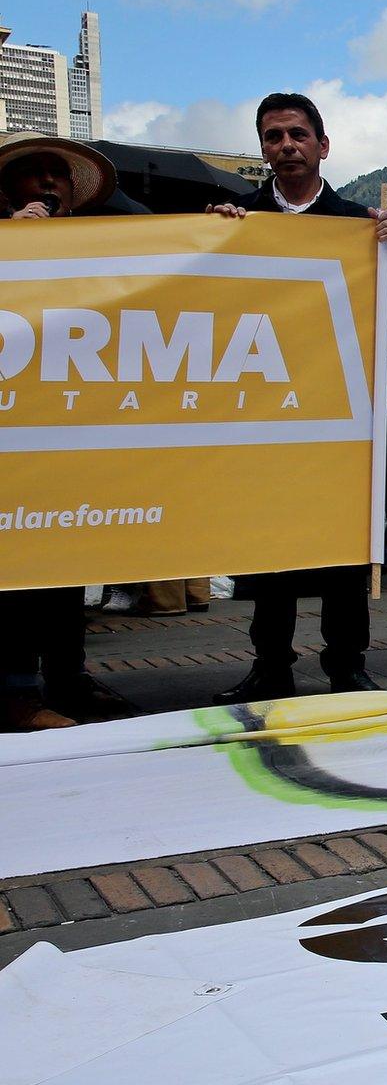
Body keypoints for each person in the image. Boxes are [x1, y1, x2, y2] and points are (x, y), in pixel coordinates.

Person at [202, 92, 387, 702]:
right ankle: (270, 665)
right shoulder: (235, 219)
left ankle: (347, 665)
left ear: (323, 145)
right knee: (268, 541)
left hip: (341, 410)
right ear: (263, 149)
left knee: (345, 546)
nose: (286, 146)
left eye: (297, 134)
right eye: (273, 137)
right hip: (262, 411)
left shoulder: (360, 222)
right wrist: (209, 241)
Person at [0, 133, 133, 731]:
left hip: (71, 431)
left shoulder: (93, 255)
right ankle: (16, 691)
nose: (50, 184)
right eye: (37, 174)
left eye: (60, 176)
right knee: (14, 567)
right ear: (10, 190)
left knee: (66, 560)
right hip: (13, 437)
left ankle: (68, 678)